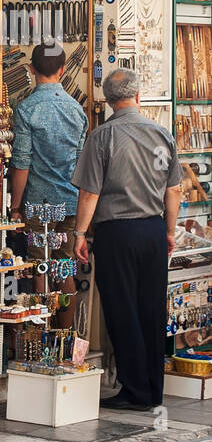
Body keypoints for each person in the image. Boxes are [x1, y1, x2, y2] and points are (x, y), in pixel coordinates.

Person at [72, 69, 182, 410]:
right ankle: (152, 390)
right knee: (151, 309)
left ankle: (134, 390)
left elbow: (90, 193)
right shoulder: (162, 134)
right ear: (139, 96)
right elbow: (174, 190)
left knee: (123, 309)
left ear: (107, 101)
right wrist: (167, 231)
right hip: (152, 229)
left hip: (117, 233)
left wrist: (79, 234)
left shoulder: (101, 138)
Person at [10, 41, 88, 227]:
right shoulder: (77, 110)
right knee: (67, 256)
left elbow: (22, 163)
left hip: (37, 205)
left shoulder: (26, 109)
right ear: (62, 70)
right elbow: (80, 164)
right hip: (70, 203)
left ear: (31, 69)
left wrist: (15, 208)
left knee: (35, 256)